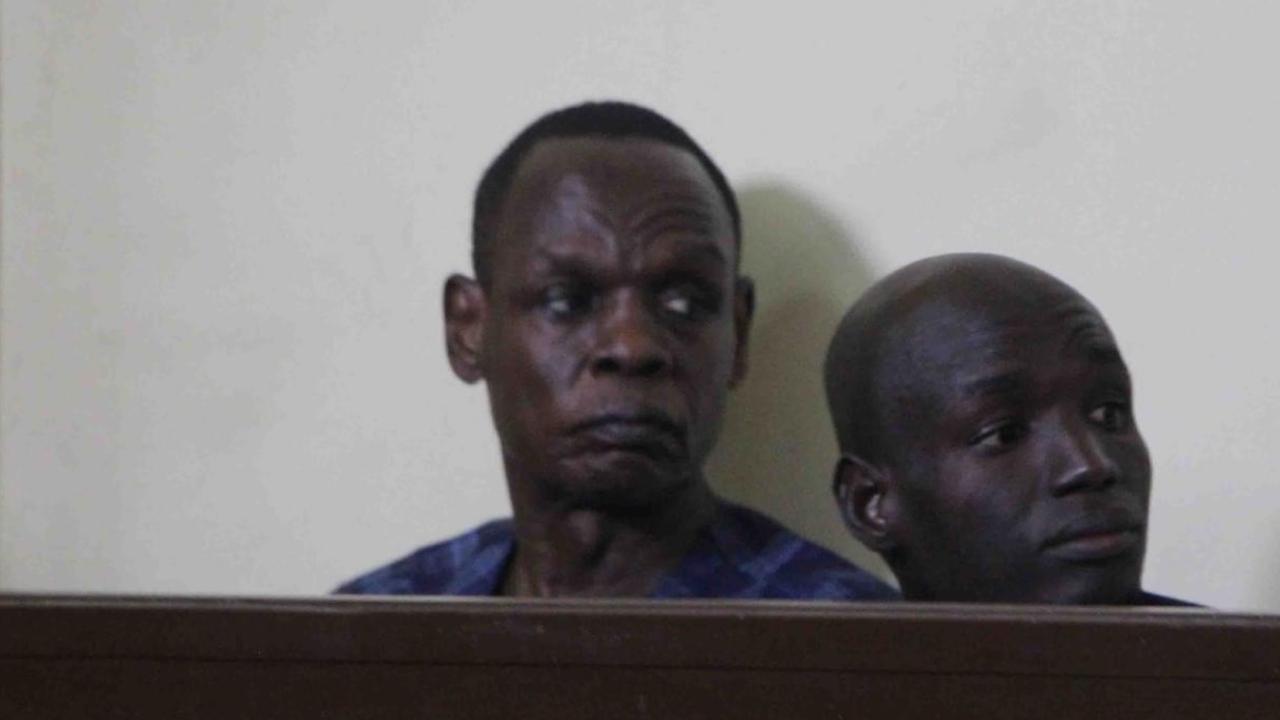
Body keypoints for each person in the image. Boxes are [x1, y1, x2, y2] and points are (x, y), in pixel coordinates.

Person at [338, 101, 896, 600]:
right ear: (468, 329)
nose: (632, 347)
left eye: (684, 303)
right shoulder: (365, 637)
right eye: (565, 300)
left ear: (738, 333)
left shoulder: (850, 650)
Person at [824, 253, 1192, 605]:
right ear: (870, 504)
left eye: (1108, 414)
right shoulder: (802, 649)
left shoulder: (1226, 650)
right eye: (1005, 434)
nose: (1091, 465)